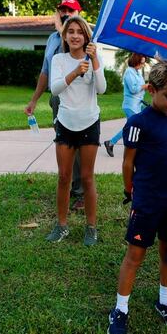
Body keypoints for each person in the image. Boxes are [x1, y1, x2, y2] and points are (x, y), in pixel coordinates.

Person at [106, 59, 167, 334]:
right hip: (146, 203)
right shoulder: (137, 122)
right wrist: (130, 191)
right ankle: (120, 309)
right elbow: (128, 163)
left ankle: (164, 301)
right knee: (135, 255)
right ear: (152, 90)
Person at [46, 16, 106, 245]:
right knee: (64, 178)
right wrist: (73, 73)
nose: (74, 35)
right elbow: (55, 88)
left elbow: (101, 89)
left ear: (86, 37)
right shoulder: (59, 59)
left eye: (79, 32)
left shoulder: (93, 59)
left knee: (88, 178)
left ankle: (91, 228)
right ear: (65, 36)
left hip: (89, 121)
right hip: (65, 122)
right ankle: (62, 226)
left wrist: (95, 62)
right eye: (70, 31)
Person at [25, 0, 85, 211]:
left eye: (70, 10)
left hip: (78, 98)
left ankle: (80, 192)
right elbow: (46, 72)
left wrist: (64, 32)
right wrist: (34, 100)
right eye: (62, 10)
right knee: (64, 143)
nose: (65, 13)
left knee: (78, 145)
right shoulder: (52, 39)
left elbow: (72, 58)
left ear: (79, 13)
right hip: (57, 99)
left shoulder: (83, 39)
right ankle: (67, 185)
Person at [103, 53, 148, 157]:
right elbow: (133, 89)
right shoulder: (129, 72)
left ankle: (111, 142)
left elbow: (140, 88)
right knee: (132, 127)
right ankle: (111, 143)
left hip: (138, 105)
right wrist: (145, 86)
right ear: (136, 61)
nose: (142, 65)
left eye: (143, 63)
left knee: (134, 127)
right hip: (130, 106)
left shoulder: (137, 72)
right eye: (141, 63)